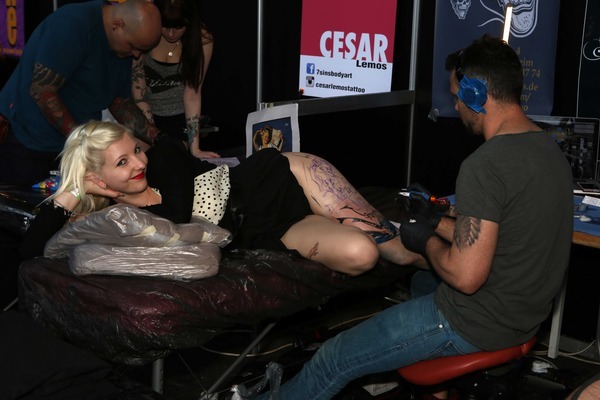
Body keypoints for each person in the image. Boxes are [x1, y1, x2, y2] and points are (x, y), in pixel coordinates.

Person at [247, 34, 574, 400]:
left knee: (333, 358)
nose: (456, 106)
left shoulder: (485, 164)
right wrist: (437, 220)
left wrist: (426, 238)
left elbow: (466, 278)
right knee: (420, 281)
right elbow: (506, 234)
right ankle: (433, 387)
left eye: (457, 96)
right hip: (524, 316)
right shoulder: (549, 149)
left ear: (475, 94)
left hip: (476, 322)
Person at [20, 120, 423, 276]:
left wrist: (117, 192)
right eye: (122, 162)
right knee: (361, 255)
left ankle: (442, 269)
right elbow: (31, 252)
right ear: (96, 177)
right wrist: (74, 191)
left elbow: (177, 216)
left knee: (397, 253)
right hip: (264, 232)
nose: (139, 162)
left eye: (135, 150)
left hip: (282, 179)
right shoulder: (114, 217)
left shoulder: (165, 157)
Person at [0, 0, 162, 187]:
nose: (136, 54)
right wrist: (84, 142)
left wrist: (158, 138)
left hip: (72, 146)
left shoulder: (122, 46)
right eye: (133, 46)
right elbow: (42, 91)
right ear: (117, 26)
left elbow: (119, 102)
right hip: (26, 140)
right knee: (23, 202)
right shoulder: (72, 25)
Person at [131, 0, 220, 159]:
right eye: (165, 26)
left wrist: (195, 149)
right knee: (139, 156)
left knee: (171, 157)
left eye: (178, 27)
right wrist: (152, 133)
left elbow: (192, 95)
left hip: (179, 117)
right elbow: (139, 95)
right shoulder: (145, 32)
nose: (171, 33)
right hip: (146, 115)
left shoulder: (202, 39)